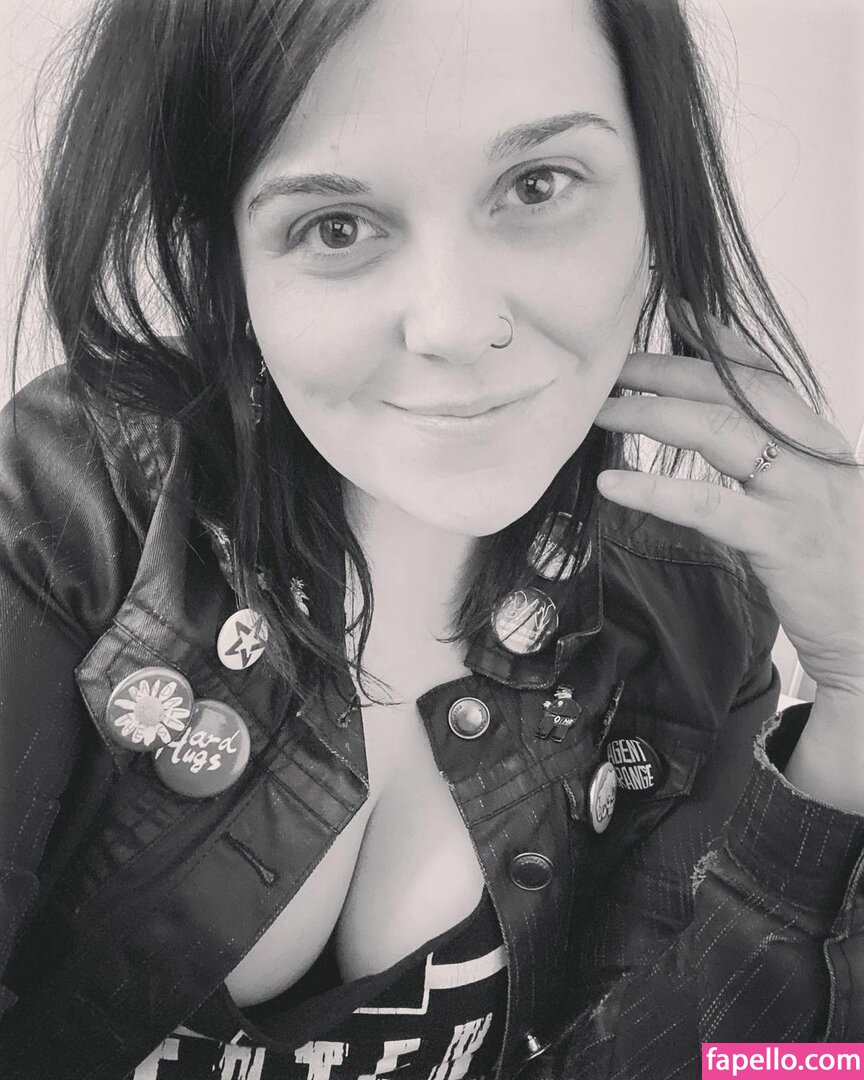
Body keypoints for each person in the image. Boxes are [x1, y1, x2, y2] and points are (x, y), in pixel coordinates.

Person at [0, 0, 862, 1077]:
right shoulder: (72, 504)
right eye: (336, 225)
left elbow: (772, 1068)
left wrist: (854, 707)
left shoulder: (695, 618)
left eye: (538, 184)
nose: (455, 325)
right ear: (228, 258)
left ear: (655, 198)